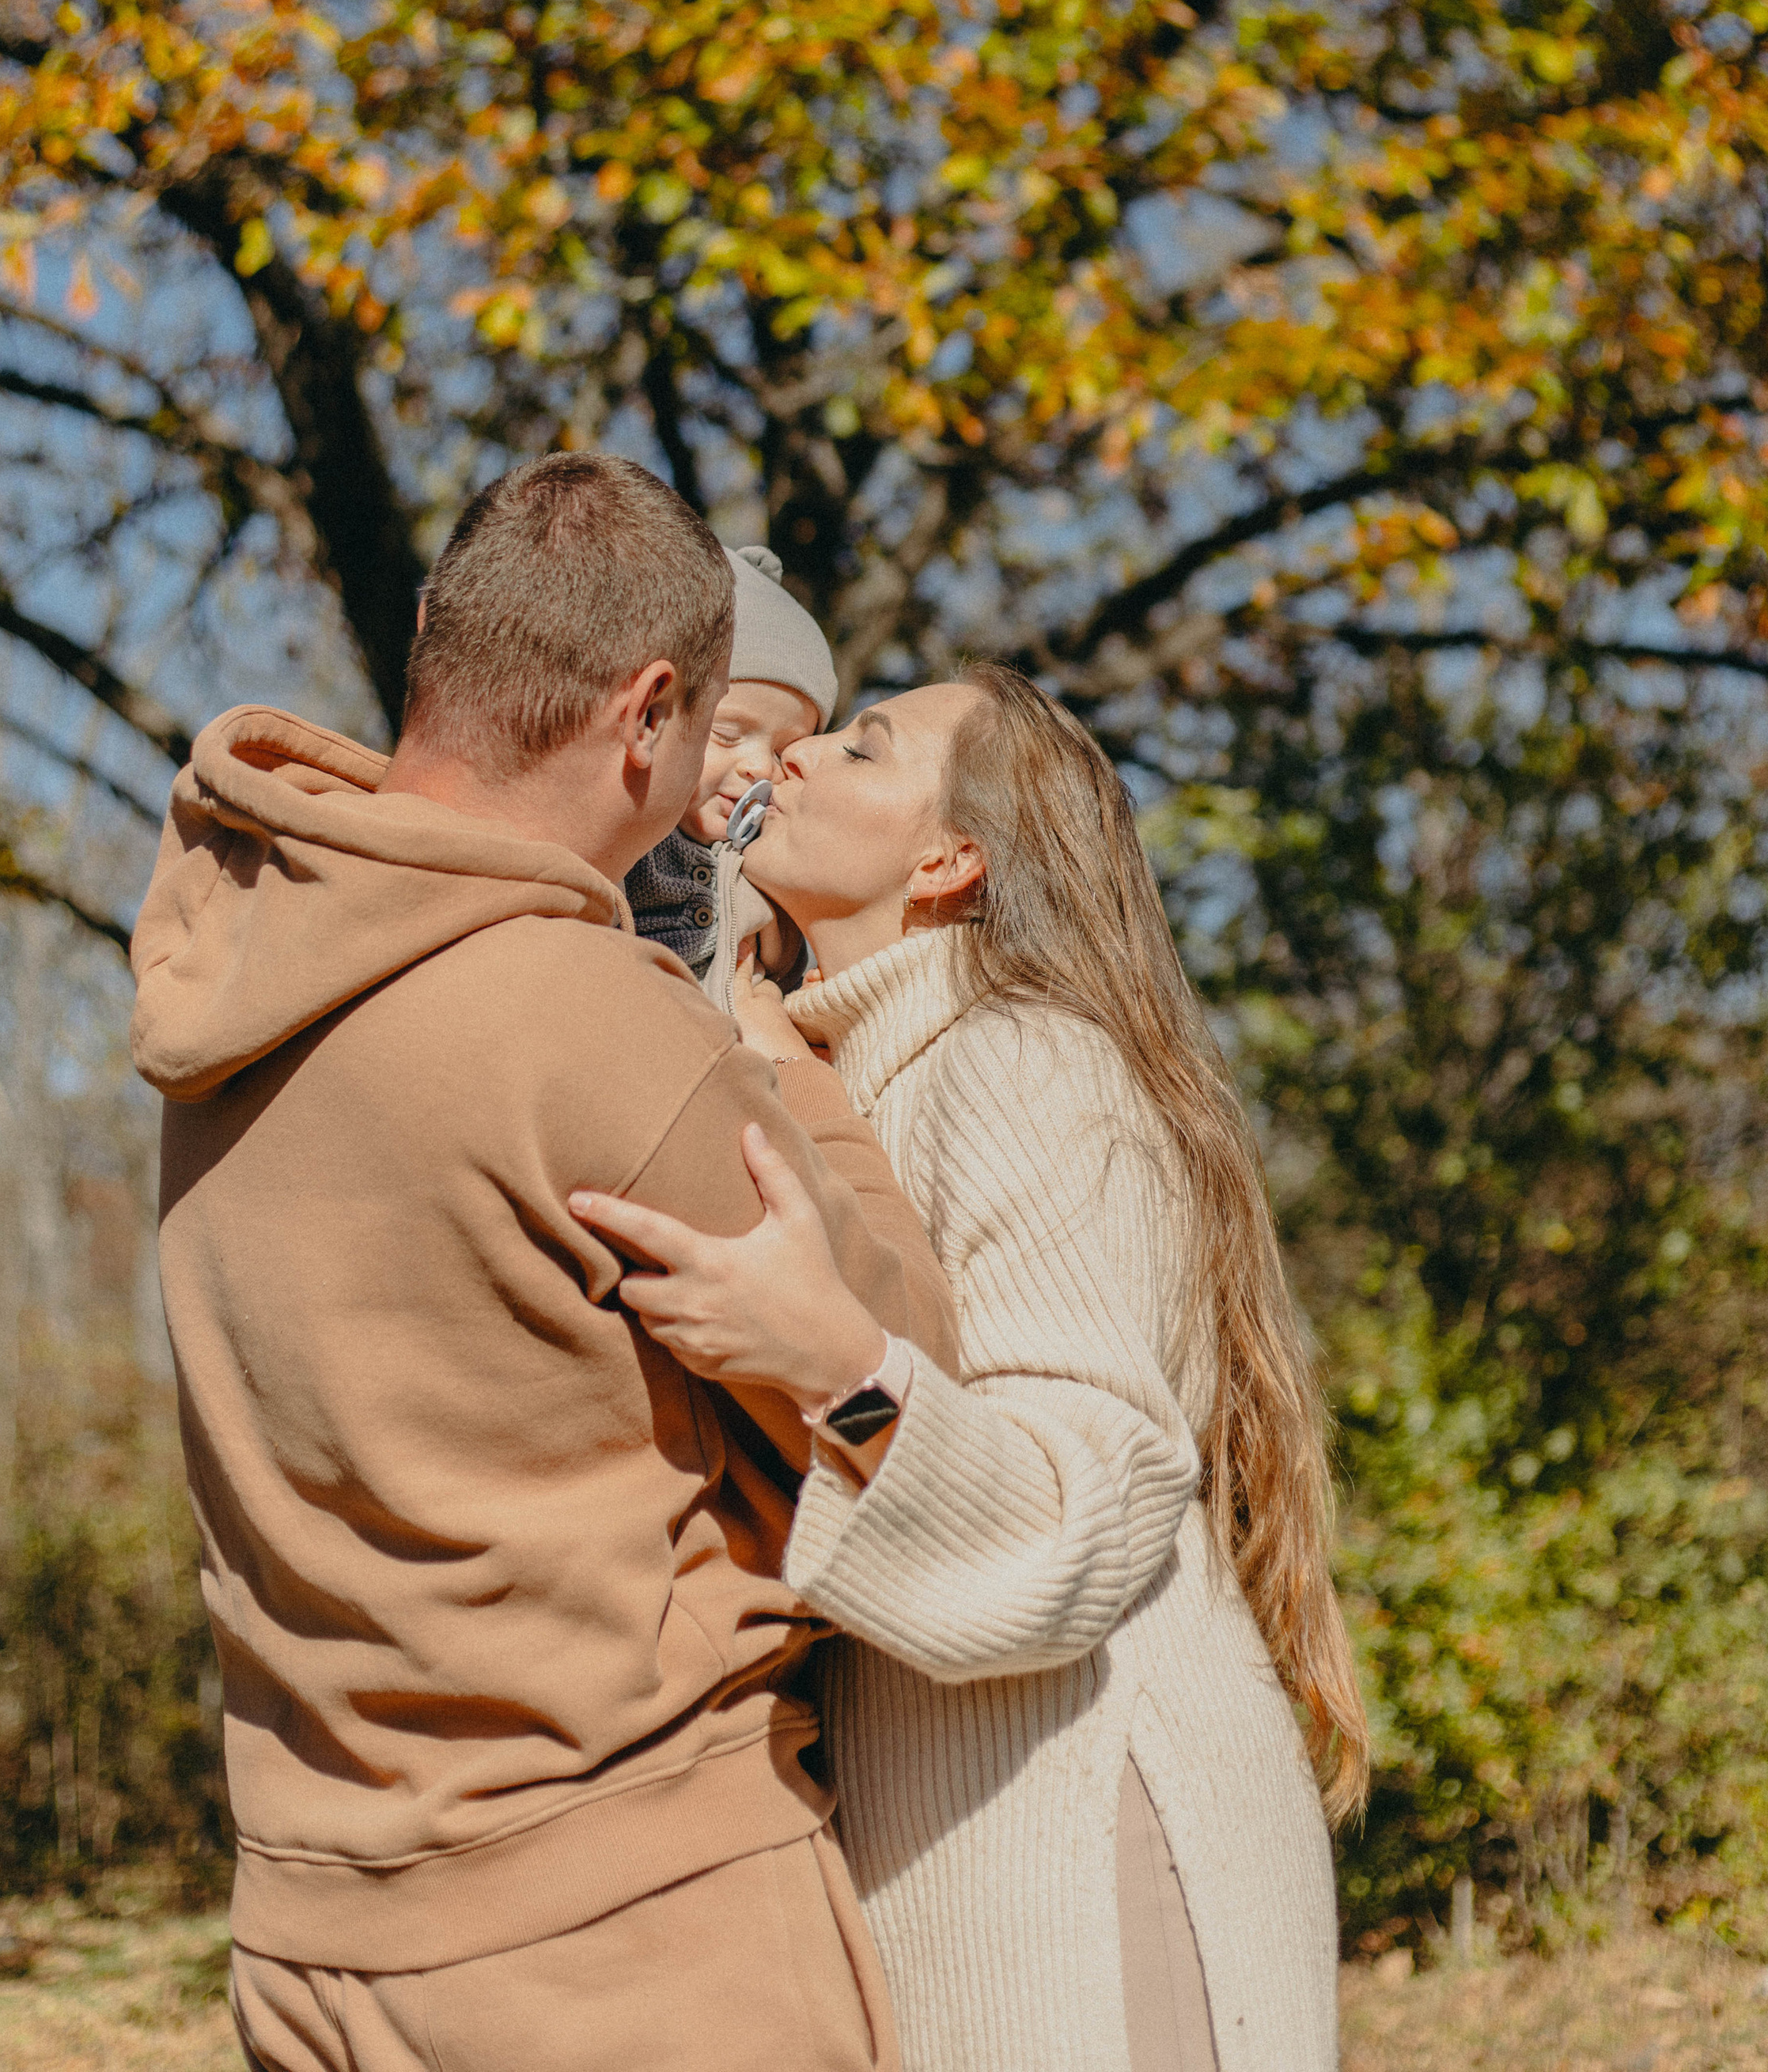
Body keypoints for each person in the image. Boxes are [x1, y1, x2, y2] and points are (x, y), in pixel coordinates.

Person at [131, 455, 958, 2072]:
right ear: (648, 712)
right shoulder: (587, 1022)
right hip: (630, 1940)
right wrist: (774, 1054)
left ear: (439, 636)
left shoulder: (235, 985)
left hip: (316, 1936)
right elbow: (913, 1370)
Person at [572, 665, 1369, 2072]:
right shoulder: (862, 1078)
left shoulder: (1018, 1064)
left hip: (1090, 1856)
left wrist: (834, 1360)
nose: (798, 755)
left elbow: (1092, 1509)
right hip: (979, 1852)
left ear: (951, 860)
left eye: (864, 749)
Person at [623, 543, 836, 1011]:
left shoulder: (772, 859)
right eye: (726, 733)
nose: (761, 768)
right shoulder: (624, 837)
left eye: (785, 752)